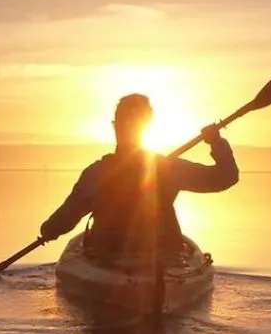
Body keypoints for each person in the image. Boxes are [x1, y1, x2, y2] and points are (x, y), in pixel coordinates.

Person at [39, 93, 239, 263]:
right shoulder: (168, 168)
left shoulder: (97, 173)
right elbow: (225, 176)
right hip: (162, 258)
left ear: (114, 126)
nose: (128, 129)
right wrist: (216, 142)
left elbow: (65, 219)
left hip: (109, 258)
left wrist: (48, 230)